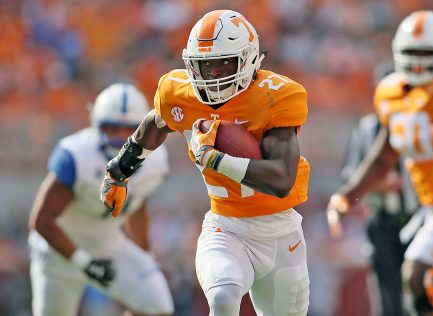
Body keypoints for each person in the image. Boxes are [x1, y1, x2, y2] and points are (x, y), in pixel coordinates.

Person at [100, 10, 310, 316]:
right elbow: (157, 124)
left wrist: (215, 159)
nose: (212, 74)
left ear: (248, 58)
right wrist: (119, 170)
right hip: (226, 228)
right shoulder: (180, 92)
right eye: (203, 65)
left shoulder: (276, 96)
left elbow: (281, 180)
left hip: (280, 233)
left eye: (223, 62)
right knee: (223, 298)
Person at [326, 10, 433, 316]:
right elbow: (383, 158)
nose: (419, 60)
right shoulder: (392, 94)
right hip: (431, 206)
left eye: (427, 52)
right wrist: (346, 196)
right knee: (428, 297)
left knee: (417, 277)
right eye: (413, 52)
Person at [28, 83, 174, 316]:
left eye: (129, 129)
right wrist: (83, 262)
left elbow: (137, 206)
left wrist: (144, 256)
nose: (120, 138)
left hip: (107, 245)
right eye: (112, 128)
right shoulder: (77, 154)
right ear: (97, 125)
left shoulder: (155, 161)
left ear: (142, 129)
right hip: (59, 254)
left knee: (157, 306)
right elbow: (41, 221)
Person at [341, 112, 418, 316]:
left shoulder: (417, 122)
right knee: (386, 295)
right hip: (382, 221)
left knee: (420, 289)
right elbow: (350, 175)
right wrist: (377, 184)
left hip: (417, 218)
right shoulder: (367, 127)